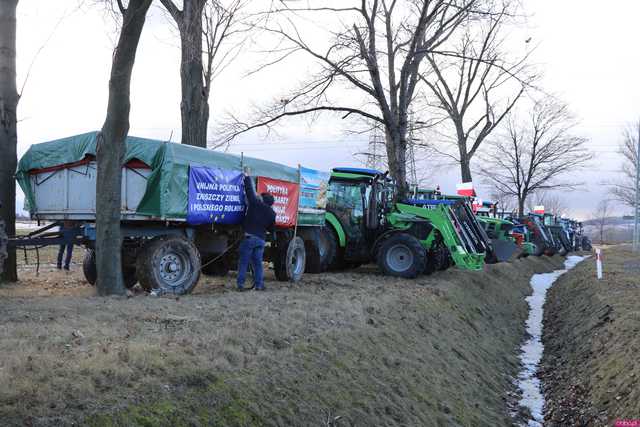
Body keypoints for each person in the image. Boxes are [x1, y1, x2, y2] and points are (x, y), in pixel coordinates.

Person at [237, 171, 276, 291]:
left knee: (243, 262)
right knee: (258, 263)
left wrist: (247, 177)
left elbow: (249, 190)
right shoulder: (272, 213)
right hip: (260, 240)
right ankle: (259, 285)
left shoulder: (255, 204)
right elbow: (271, 229)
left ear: (263, 199)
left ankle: (241, 285)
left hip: (249, 238)